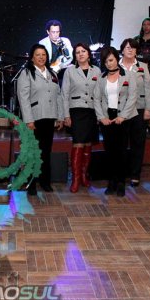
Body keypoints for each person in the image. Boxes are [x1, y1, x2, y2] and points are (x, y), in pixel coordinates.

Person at [17, 44, 64, 196]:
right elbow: (23, 98)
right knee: (33, 151)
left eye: (44, 54)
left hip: (49, 117)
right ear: (32, 57)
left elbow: (58, 96)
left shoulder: (52, 73)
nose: (41, 57)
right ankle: (31, 183)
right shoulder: (26, 73)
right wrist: (28, 120)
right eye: (38, 54)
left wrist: (60, 116)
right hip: (34, 119)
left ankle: (45, 182)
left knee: (46, 151)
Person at [93, 46, 137, 197]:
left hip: (124, 117)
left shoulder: (129, 75)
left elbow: (132, 97)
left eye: (111, 60)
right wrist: (101, 117)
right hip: (107, 118)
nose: (109, 64)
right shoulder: (101, 77)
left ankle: (121, 182)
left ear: (117, 59)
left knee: (122, 151)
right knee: (109, 151)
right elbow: (97, 99)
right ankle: (111, 181)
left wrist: (123, 116)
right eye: (106, 61)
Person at [61, 43, 101, 193]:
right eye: (77, 52)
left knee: (88, 144)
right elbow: (64, 94)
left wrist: (100, 114)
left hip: (92, 112)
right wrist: (66, 115)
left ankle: (84, 176)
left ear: (88, 54)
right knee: (78, 143)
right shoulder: (70, 71)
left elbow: (99, 94)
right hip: (76, 112)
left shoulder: (97, 70)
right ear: (75, 56)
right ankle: (76, 179)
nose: (80, 54)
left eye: (83, 51)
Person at [119, 38, 150, 187]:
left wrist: (148, 109)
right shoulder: (115, 65)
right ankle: (121, 174)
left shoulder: (143, 66)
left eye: (133, 48)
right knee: (120, 143)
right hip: (120, 110)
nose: (130, 50)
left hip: (139, 109)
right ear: (122, 50)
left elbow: (148, 89)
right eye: (127, 47)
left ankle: (135, 175)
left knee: (138, 144)